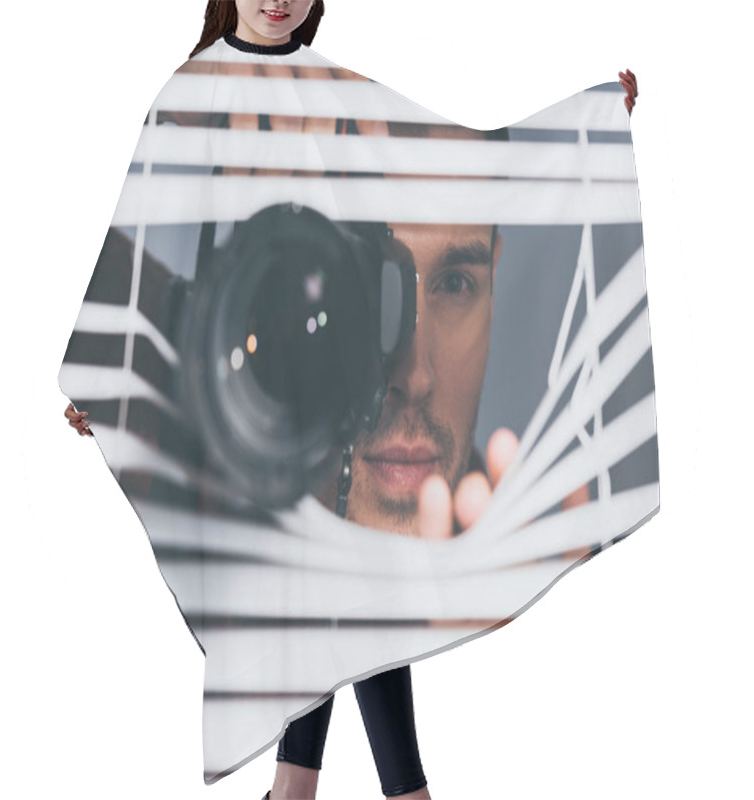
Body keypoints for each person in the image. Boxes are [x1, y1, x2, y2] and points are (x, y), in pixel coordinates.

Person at [64, 2, 639, 798]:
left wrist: (587, 129)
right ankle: (373, 791)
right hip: (238, 389)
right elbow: (136, 244)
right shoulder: (186, 94)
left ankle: (304, 790)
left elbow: (470, 158)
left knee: (348, 578)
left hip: (336, 375)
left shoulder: (335, 91)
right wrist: (104, 374)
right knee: (331, 582)